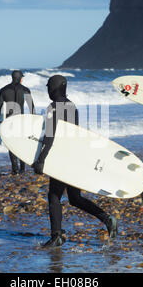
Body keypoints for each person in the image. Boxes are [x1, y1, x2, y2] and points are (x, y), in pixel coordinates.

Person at [32, 75, 118, 247]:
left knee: (54, 196)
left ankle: (57, 235)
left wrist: (41, 159)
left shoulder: (53, 107)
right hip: (73, 156)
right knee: (75, 198)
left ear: (52, 88)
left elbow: (50, 136)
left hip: (61, 158)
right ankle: (107, 219)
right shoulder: (72, 106)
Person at [0, 70, 35, 174]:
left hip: (9, 121)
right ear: (21, 78)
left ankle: (15, 169)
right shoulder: (26, 90)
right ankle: (22, 168)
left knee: (11, 145)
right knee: (22, 144)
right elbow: (32, 109)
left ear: (12, 78)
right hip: (21, 121)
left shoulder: (3, 90)